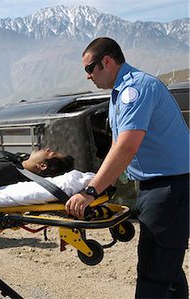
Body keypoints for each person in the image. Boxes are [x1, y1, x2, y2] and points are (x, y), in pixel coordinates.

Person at [65, 37, 189, 298]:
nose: (88, 76)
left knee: (154, 272)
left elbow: (126, 147)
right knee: (168, 271)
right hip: (158, 187)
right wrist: (105, 186)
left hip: (169, 188)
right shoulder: (118, 94)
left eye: (90, 69)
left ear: (107, 61)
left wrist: (90, 192)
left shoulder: (136, 88)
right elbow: (116, 148)